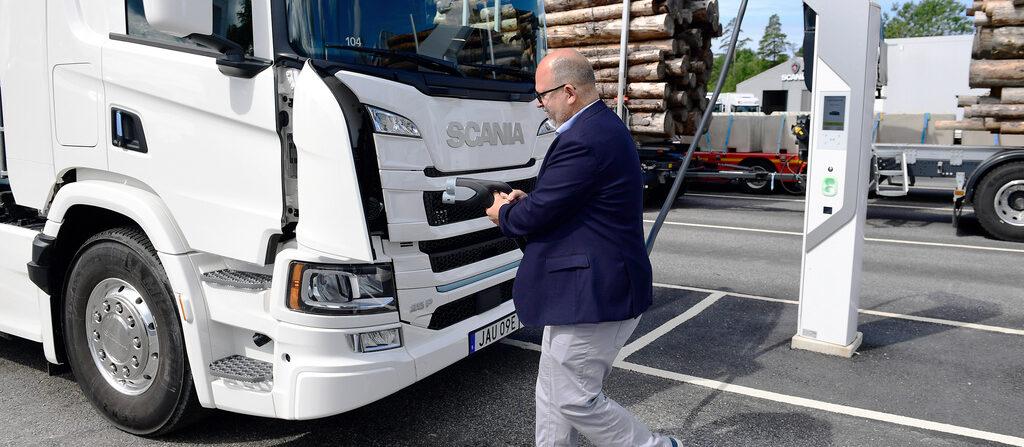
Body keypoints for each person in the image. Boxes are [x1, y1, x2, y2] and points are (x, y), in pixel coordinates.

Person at [485, 49, 679, 447]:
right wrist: (529, 200)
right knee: (552, 394)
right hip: (581, 289)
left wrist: (504, 213)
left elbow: (534, 219)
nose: (539, 104)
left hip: (594, 292)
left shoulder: (585, 139)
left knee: (574, 399)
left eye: (542, 95)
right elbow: (570, 199)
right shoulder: (598, 128)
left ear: (568, 91)